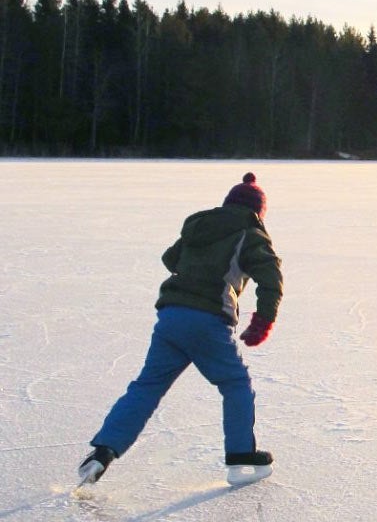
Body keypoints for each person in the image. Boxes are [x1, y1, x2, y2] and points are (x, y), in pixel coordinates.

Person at [79, 172, 283, 485]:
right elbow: (271, 279)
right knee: (235, 383)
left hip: (172, 316)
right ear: (258, 210)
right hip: (207, 320)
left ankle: (103, 451)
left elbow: (170, 258)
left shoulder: (200, 225)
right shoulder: (250, 232)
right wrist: (263, 321)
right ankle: (241, 454)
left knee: (147, 386)